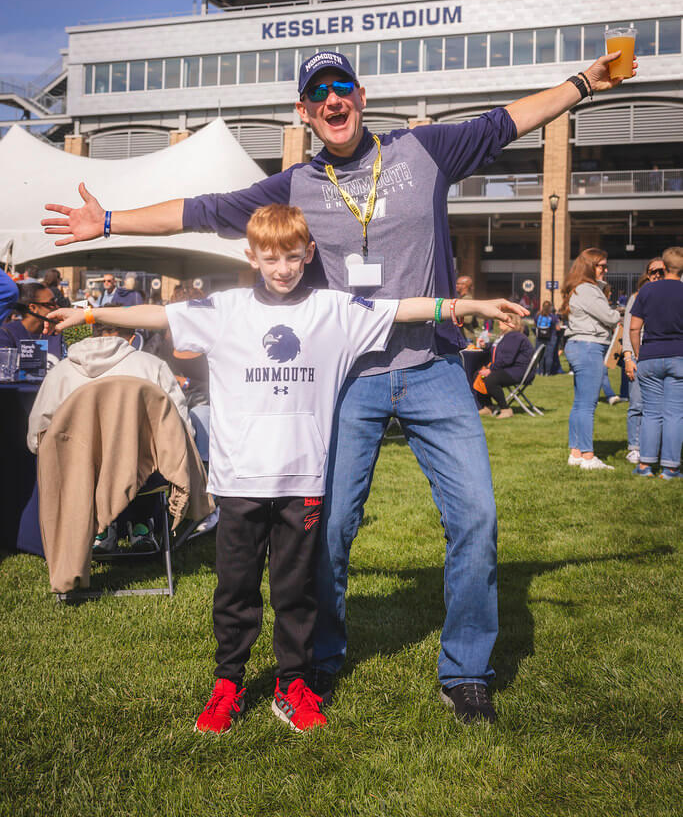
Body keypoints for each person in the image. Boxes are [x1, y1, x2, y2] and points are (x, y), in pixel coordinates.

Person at [42, 47, 636, 724]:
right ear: (305, 111)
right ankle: (314, 665)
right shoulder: (293, 185)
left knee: (476, 519)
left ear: (359, 96)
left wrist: (584, 81)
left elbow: (510, 120)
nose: (331, 100)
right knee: (327, 534)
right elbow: (199, 211)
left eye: (341, 87)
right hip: (346, 382)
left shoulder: (425, 150)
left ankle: (466, 668)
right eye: (317, 92)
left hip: (435, 371)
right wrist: (110, 222)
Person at [49, 204, 524, 733]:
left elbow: (402, 309)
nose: (282, 268)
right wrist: (91, 316)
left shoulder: (333, 310)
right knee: (236, 591)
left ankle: (291, 684)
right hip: (239, 482)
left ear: (309, 255)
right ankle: (228, 683)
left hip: (304, 483)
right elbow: (160, 315)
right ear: (252, 257)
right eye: (270, 258)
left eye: (293, 258)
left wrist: (468, 304)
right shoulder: (225, 309)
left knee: (296, 591)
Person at [27, 305, 200, 550]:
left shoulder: (61, 373)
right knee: (149, 452)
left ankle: (102, 530)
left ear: (93, 333)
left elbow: (36, 438)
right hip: (145, 476)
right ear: (132, 337)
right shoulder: (153, 367)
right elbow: (183, 430)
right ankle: (141, 526)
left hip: (80, 474)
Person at [561, 249, 621, 471]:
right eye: (601, 266)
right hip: (589, 346)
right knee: (587, 404)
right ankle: (587, 456)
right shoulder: (588, 289)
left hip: (579, 345)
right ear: (589, 266)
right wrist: (620, 313)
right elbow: (609, 316)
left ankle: (576, 453)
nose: (605, 270)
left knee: (579, 403)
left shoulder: (580, 288)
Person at [629, 246, 683, 480]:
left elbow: (634, 327)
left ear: (664, 264)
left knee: (651, 413)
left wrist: (639, 352)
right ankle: (670, 468)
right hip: (679, 356)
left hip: (650, 355)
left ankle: (645, 465)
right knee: (674, 414)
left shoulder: (647, 290)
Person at [622, 257, 665, 463]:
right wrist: (628, 357)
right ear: (647, 275)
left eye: (661, 271)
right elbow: (629, 328)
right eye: (653, 271)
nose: (657, 275)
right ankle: (635, 446)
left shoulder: (672, 295)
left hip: (664, 356)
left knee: (664, 407)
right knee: (637, 404)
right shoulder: (637, 296)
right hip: (640, 356)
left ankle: (659, 448)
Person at [475, 313, 534, 418]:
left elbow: (507, 358)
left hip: (519, 371)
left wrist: (491, 369)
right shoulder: (506, 336)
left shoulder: (515, 336)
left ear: (512, 323)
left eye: (503, 320)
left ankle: (505, 409)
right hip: (510, 369)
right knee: (478, 375)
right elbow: (499, 349)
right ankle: (489, 406)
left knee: (491, 379)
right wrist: (486, 345)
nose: (499, 321)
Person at [0, 282, 66, 364]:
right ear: (33, 308)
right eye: (51, 303)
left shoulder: (57, 333)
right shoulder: (6, 333)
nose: (57, 307)